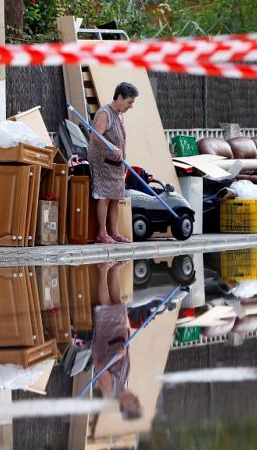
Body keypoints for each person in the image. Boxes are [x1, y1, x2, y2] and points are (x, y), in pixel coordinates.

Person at [88, 82, 139, 244]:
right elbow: (96, 136)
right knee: (104, 195)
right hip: (103, 161)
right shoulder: (105, 113)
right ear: (119, 97)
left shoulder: (118, 115)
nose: (131, 106)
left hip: (116, 163)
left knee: (116, 196)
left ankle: (114, 232)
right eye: (129, 102)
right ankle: (102, 234)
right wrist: (110, 148)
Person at [92, 260, 142, 420]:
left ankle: (103, 269)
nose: (136, 399)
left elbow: (99, 367)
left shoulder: (111, 391)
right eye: (138, 402)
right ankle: (115, 269)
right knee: (118, 304)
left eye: (134, 403)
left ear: (125, 407)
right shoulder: (123, 386)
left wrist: (118, 355)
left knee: (106, 307)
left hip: (106, 342)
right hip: (119, 337)